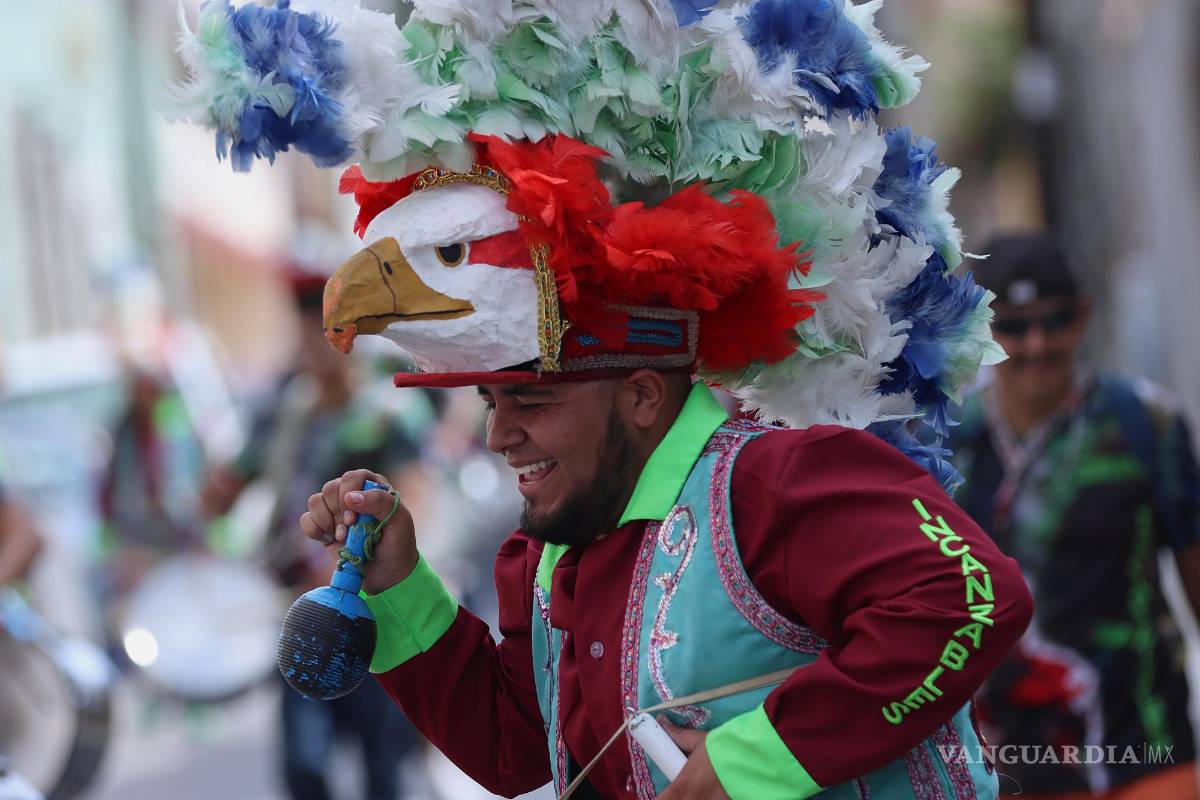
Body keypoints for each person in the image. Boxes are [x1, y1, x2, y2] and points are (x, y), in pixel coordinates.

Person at [173, 1, 1034, 796]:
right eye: (490, 400)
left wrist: (759, 759)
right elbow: (518, 748)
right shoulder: (550, 548)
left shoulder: (774, 482)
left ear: (645, 397)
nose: (501, 434)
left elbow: (969, 596)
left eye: (532, 403)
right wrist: (398, 580)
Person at [947, 232, 1200, 799]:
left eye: (1053, 321)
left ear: (1081, 316)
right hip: (1010, 765)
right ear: (982, 329)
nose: (1036, 344)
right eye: (1013, 327)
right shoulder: (944, 444)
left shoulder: (1146, 423)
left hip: (1151, 747)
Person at [202, 264, 422, 800]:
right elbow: (227, 487)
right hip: (299, 614)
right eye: (307, 332)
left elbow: (422, 498)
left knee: (383, 765)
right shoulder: (286, 412)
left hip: (370, 615)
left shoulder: (389, 413)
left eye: (328, 331)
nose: (315, 346)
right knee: (304, 768)